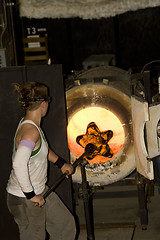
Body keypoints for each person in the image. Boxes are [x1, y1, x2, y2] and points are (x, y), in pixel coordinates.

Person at [6, 81, 76, 240]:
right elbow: (18, 163)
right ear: (44, 103)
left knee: (65, 226)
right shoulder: (31, 132)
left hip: (39, 190)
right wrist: (31, 195)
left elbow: (41, 150)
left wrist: (61, 163)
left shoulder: (31, 125)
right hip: (25, 198)